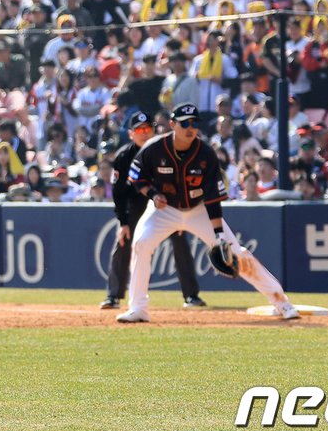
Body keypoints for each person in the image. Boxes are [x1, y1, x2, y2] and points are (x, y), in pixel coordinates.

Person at [117, 104, 300, 323]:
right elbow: (137, 178)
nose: (190, 128)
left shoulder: (205, 153)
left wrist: (219, 235)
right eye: (185, 123)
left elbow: (213, 198)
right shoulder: (154, 148)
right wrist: (153, 195)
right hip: (164, 210)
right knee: (141, 244)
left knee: (236, 253)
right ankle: (138, 308)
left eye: (194, 123)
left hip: (198, 209)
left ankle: (282, 302)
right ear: (172, 124)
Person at [101, 112, 201, 310]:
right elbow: (118, 193)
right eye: (139, 130)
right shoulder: (124, 156)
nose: (144, 133)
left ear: (154, 130)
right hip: (136, 206)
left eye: (148, 129)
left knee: (180, 242)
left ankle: (191, 296)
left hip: (166, 205)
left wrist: (180, 212)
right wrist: (123, 222)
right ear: (131, 134)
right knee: (123, 242)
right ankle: (113, 296)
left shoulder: (166, 150)